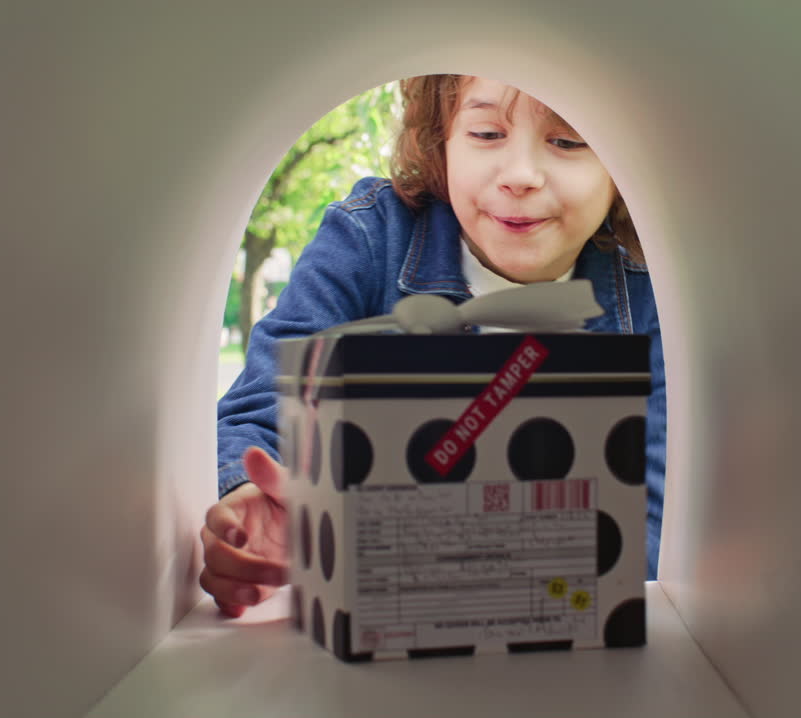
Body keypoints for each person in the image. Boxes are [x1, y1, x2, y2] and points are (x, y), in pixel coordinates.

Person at [201, 75, 666, 617]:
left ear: (621, 167)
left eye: (567, 141)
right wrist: (248, 505)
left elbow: (653, 519)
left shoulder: (651, 291)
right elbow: (262, 412)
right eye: (487, 133)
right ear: (441, 140)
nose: (519, 175)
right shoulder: (370, 238)